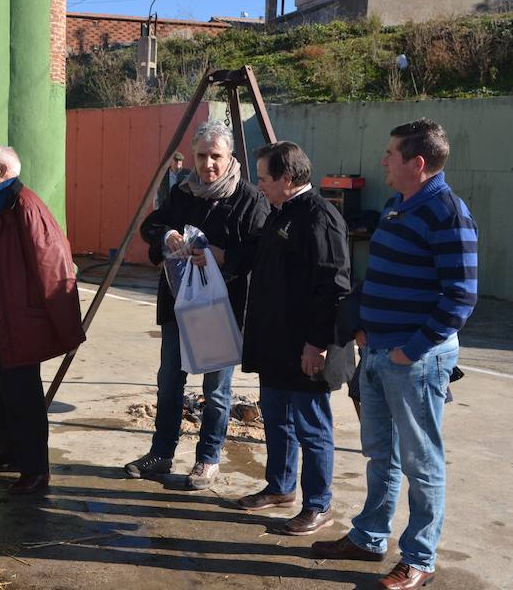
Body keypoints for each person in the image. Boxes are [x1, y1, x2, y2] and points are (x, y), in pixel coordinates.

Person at [313, 119, 477, 589]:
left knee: (422, 462)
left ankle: (419, 559)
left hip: (415, 361)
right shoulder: (396, 207)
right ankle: (369, 537)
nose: (384, 160)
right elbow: (380, 277)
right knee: (381, 454)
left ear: (417, 163)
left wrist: (412, 350)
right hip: (380, 353)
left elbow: (461, 297)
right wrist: (363, 328)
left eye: (391, 153)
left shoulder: (447, 213)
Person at [125, 120, 270, 490]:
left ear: (230, 157)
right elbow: (151, 227)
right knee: (169, 382)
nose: (208, 165)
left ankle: (207, 459)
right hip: (179, 307)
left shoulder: (249, 198)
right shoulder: (183, 194)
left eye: (215, 157)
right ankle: (161, 454)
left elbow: (261, 251)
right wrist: (167, 235)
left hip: (219, 312)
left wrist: (224, 257)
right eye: (202, 156)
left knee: (216, 392)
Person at [237, 141, 350, 536]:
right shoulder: (279, 213)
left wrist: (317, 344)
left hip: (307, 349)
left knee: (312, 428)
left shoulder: (320, 218)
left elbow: (333, 288)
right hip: (276, 347)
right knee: (276, 420)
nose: (259, 185)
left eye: (265, 178)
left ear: (287, 178)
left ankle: (318, 505)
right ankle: (280, 487)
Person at [0, 146, 85, 494]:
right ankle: (7, 452)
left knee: (23, 394)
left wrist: (63, 322)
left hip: (16, 315)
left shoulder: (24, 203)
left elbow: (51, 261)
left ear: (1, 170)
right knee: (1, 389)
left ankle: (35, 469)